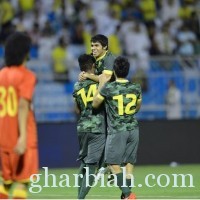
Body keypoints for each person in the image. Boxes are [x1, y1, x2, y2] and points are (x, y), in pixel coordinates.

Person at [92, 56, 142, 199]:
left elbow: (95, 103)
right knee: (129, 166)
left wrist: (101, 82)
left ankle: (128, 194)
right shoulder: (136, 87)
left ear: (114, 71)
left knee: (113, 164)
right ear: (128, 71)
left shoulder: (109, 88)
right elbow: (137, 107)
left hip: (117, 130)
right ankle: (125, 196)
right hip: (133, 129)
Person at [0, 32, 38, 199]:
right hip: (22, 136)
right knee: (23, 182)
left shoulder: (1, 74)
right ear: (25, 52)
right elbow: (23, 106)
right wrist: (22, 137)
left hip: (3, 136)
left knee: (6, 183)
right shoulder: (27, 75)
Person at [79, 34, 116, 177]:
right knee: (103, 133)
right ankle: (107, 166)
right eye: (92, 45)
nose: (93, 48)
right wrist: (83, 74)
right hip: (105, 102)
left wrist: (96, 99)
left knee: (112, 133)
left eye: (96, 46)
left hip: (113, 103)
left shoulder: (109, 59)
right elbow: (91, 72)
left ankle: (112, 166)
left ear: (105, 47)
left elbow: (104, 80)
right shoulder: (94, 58)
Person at [73, 54, 106, 199]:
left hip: (82, 127)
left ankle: (78, 197)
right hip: (97, 127)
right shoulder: (99, 84)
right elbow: (106, 80)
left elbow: (77, 110)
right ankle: (80, 199)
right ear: (93, 66)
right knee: (92, 167)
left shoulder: (77, 84)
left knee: (84, 163)